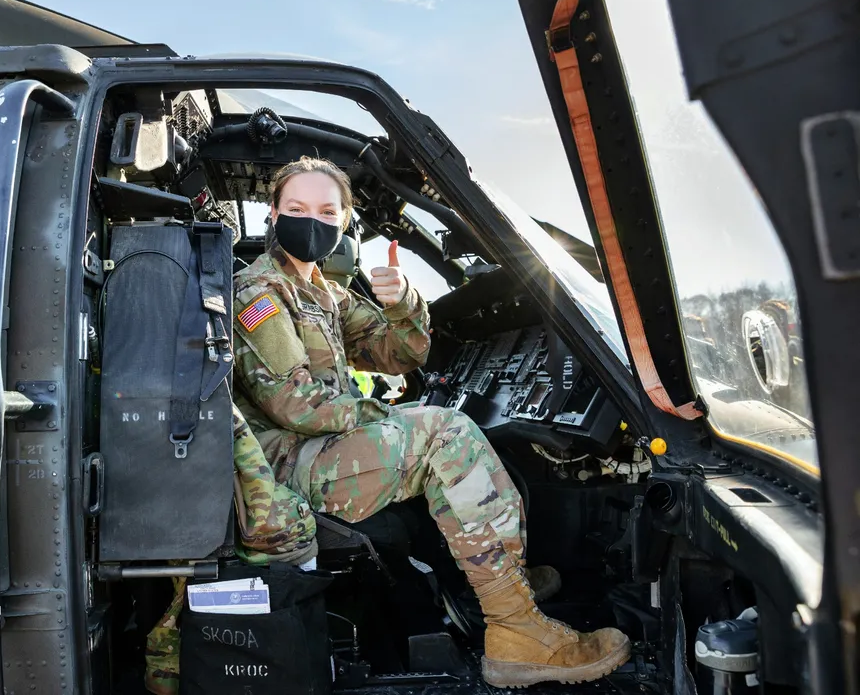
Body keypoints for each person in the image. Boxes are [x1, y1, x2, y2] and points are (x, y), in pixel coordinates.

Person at [230, 156, 631, 688]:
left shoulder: (324, 293)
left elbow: (402, 353)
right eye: (298, 208)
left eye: (328, 211)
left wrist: (402, 303)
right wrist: (381, 415)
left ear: (345, 223)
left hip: (319, 447)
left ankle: (499, 583)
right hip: (285, 466)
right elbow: (295, 405)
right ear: (274, 216)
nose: (313, 222)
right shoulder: (259, 294)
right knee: (444, 435)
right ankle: (516, 631)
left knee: (439, 428)